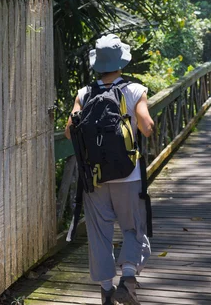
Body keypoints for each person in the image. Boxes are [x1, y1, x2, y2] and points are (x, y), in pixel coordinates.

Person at [65, 34, 154, 305]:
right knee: (133, 228)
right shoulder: (135, 89)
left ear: (98, 64)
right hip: (129, 174)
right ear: (121, 63)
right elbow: (147, 128)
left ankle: (106, 291)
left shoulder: (84, 93)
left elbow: (70, 131)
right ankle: (128, 278)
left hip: (94, 177)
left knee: (99, 233)